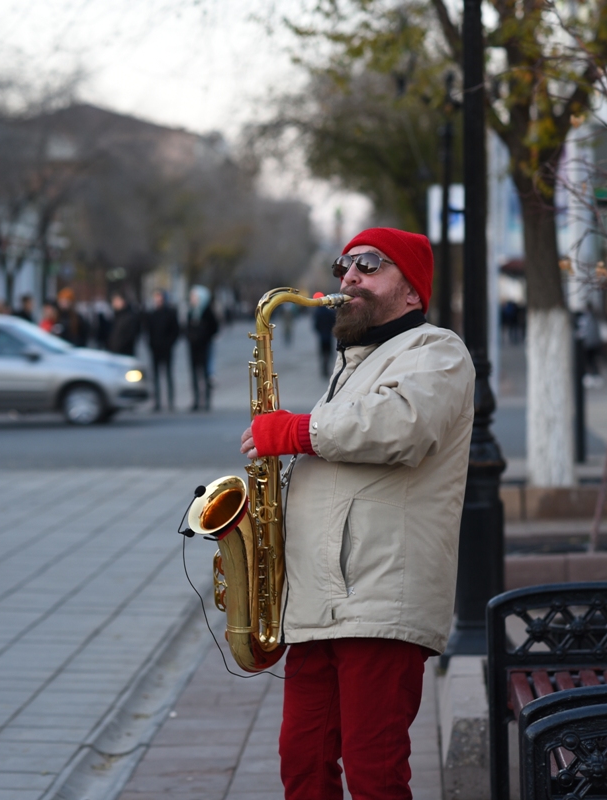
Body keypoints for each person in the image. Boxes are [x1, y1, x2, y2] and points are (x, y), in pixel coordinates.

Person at [238, 228, 474, 800]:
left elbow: (402, 427)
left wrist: (297, 429)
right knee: (303, 762)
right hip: (323, 601)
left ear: (412, 290)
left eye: (370, 265)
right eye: (346, 264)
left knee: (375, 773)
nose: (349, 277)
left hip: (380, 595)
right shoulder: (352, 364)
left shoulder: (435, 350)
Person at [184, 285, 218, 411]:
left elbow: (214, 328)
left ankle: (207, 400)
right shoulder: (191, 312)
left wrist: (203, 335)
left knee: (206, 374)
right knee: (194, 375)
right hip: (193, 349)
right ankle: (196, 400)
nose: (192, 299)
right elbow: (186, 329)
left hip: (205, 348)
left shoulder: (207, 312)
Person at [144, 289, 179, 411]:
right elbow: (148, 332)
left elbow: (176, 331)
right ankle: (157, 402)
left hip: (167, 349)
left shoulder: (170, 313)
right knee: (156, 377)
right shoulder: (152, 314)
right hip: (155, 349)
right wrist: (151, 345)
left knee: (168, 375)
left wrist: (169, 344)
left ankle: (170, 402)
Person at [313, 300, 336, 379]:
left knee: (323, 353)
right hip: (329, 336)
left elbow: (316, 325)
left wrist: (319, 331)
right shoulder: (330, 312)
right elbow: (333, 322)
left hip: (322, 336)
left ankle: (324, 368)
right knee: (328, 353)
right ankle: (327, 368)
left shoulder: (318, 312)